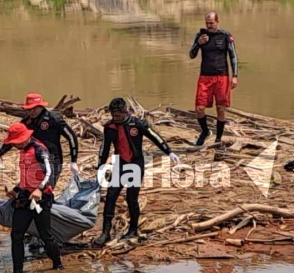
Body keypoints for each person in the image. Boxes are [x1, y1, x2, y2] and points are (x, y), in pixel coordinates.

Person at [93, 98, 180, 247]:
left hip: (135, 164)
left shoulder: (137, 124)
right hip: (119, 164)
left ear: (125, 112)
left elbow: (155, 137)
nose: (116, 118)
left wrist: (169, 152)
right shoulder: (110, 127)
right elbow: (105, 148)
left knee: (131, 198)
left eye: (118, 115)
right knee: (110, 196)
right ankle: (105, 232)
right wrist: (101, 166)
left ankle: (133, 230)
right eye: (113, 115)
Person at [2, 122, 63, 273]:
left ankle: (57, 264)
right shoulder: (23, 151)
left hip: (41, 198)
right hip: (24, 197)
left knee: (45, 234)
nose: (14, 146)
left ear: (24, 138)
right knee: (16, 234)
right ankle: (17, 272)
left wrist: (39, 189)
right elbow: (27, 177)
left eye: (15, 142)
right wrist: (15, 190)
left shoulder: (40, 150)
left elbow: (50, 173)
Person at [0, 93, 79, 187]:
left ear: (41, 106)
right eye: (29, 109)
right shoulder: (26, 122)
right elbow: (15, 138)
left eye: (34, 108)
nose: (32, 111)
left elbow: (71, 137)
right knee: (31, 187)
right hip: (33, 159)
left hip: (52, 159)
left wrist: (73, 161)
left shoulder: (54, 119)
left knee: (46, 189)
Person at [189, 11, 238, 149]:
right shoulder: (201, 36)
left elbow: (233, 56)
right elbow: (191, 55)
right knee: (199, 108)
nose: (209, 26)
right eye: (207, 23)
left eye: (211, 23)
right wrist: (198, 43)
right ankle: (205, 131)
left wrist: (235, 76)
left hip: (222, 76)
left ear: (217, 22)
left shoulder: (226, 36)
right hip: (205, 77)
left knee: (221, 108)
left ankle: (218, 138)